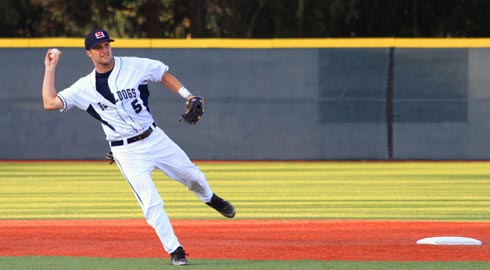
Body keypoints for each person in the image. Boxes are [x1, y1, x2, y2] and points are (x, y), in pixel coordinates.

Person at [41, 29, 236, 266]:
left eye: (107, 45)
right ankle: (176, 250)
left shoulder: (133, 66)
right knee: (150, 201)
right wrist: (50, 68)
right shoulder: (84, 88)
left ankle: (211, 199)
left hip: (155, 138)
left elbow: (162, 73)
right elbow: (50, 102)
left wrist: (188, 95)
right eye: (99, 47)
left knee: (193, 176)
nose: (105, 50)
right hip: (126, 151)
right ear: (89, 53)